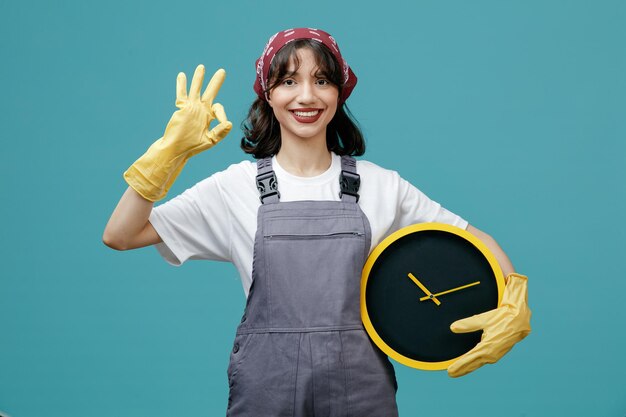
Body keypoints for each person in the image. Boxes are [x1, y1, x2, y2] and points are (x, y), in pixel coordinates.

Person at [103, 28, 531, 416]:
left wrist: (513, 297)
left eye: (321, 81)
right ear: (267, 94)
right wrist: (164, 159)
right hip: (265, 390)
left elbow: (475, 239)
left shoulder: (381, 186)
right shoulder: (233, 187)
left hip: (359, 391)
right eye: (288, 81)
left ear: (339, 93)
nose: (306, 96)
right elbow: (121, 235)